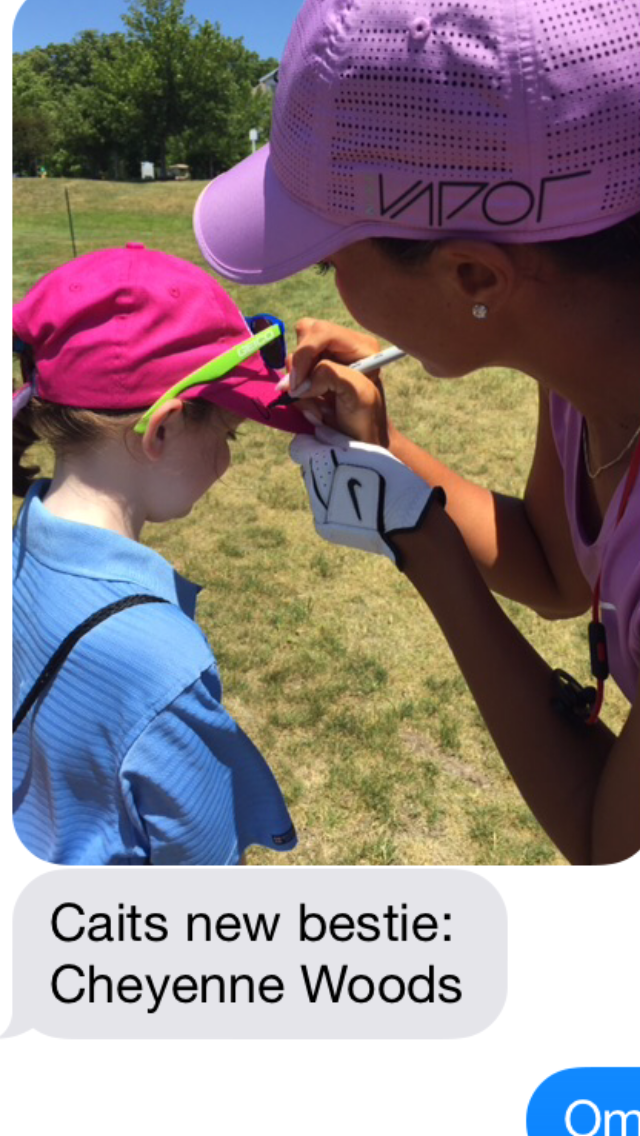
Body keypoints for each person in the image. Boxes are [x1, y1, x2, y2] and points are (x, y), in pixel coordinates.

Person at [193, 0, 640, 865]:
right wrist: (385, 454)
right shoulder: (586, 371)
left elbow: (607, 848)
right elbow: (554, 567)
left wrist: (416, 537)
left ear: (472, 273)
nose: (329, 288)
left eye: (330, 259)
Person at [12, 243, 311, 866]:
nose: (228, 460)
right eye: (228, 434)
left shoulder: (25, 545)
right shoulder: (160, 661)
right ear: (163, 429)